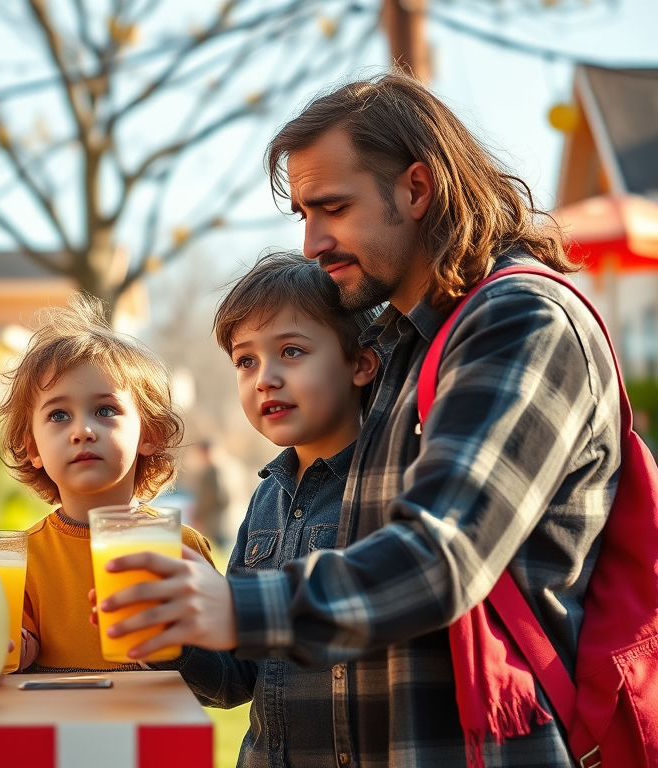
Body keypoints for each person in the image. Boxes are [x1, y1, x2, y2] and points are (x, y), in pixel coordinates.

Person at [97, 72, 619, 767]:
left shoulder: (519, 321)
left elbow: (441, 556)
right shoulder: (405, 343)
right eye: (303, 216)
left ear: (416, 188)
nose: (312, 243)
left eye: (332, 208)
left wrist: (235, 606)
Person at [167, 251, 379, 767]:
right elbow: (236, 680)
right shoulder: (267, 498)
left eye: (291, 351)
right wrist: (173, 634)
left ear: (361, 361)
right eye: (247, 360)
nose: (265, 378)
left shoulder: (385, 487)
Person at [0, 293, 213, 673]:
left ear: (151, 433)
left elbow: (227, 679)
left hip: (153, 730)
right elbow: (10, 656)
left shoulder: (181, 547)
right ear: (34, 448)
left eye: (105, 410)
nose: (82, 431)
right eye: (59, 415)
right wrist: (16, 652)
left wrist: (181, 642)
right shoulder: (22, 559)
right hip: (59, 731)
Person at [183, 441, 229, 547]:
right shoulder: (224, 468)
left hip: (213, 523)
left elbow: (213, 498)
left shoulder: (212, 471)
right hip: (221, 522)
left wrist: (198, 517)